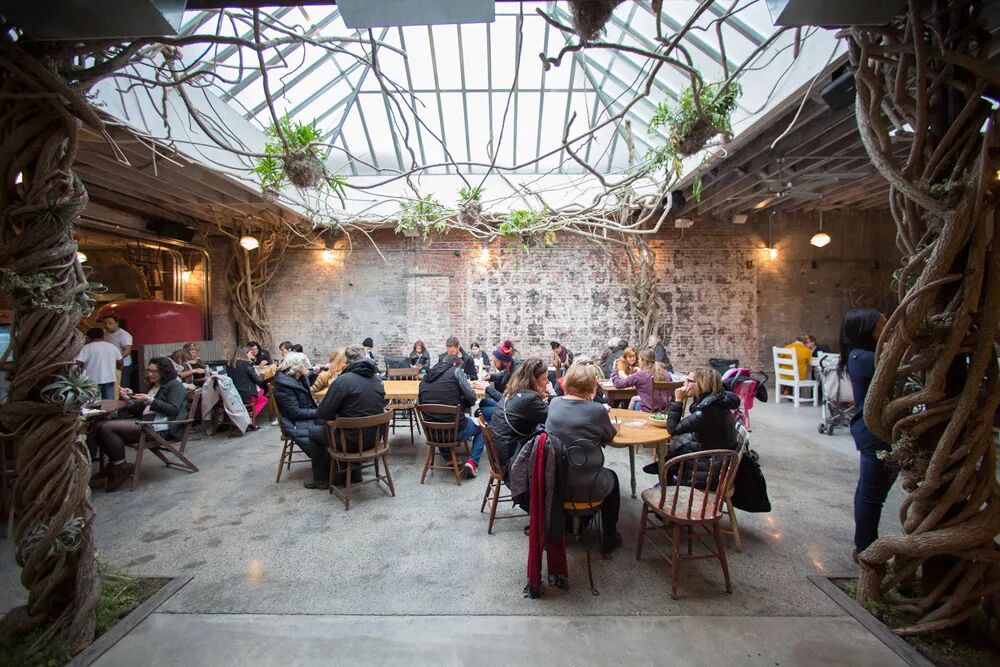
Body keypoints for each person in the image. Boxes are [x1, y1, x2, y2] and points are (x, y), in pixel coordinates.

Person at [545, 363, 622, 556]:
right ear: (591, 387)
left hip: (556, 483)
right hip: (588, 486)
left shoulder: (554, 404)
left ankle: (572, 523)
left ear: (567, 383)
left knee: (578, 473)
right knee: (612, 478)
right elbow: (610, 437)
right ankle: (610, 536)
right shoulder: (597, 410)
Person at [839, 308, 893, 558]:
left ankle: (865, 544)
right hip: (874, 432)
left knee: (869, 491)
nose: (889, 325)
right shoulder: (863, 358)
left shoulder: (862, 355)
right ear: (869, 330)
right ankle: (866, 548)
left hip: (873, 429)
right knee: (872, 494)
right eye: (883, 323)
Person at [93, 357, 188, 491]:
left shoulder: (174, 385)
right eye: (149, 370)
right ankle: (115, 464)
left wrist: (149, 400)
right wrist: (129, 399)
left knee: (107, 428)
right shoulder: (155, 386)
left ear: (164, 371)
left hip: (159, 428)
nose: (150, 374)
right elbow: (141, 411)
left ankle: (120, 467)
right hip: (146, 423)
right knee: (97, 426)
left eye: (154, 371)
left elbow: (173, 409)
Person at [307, 345, 386, 489]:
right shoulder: (377, 379)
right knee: (351, 425)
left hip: (351, 442)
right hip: (375, 439)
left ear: (346, 360)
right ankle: (354, 474)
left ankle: (321, 479)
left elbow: (323, 414)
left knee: (314, 432)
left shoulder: (343, 381)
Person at [643, 368, 741, 482]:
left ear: (702, 384)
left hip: (708, 471)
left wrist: (678, 400)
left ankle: (666, 472)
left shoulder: (707, 410)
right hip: (717, 459)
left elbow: (672, 429)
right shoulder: (718, 400)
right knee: (679, 442)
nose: (685, 384)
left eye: (689, 381)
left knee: (674, 449)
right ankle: (665, 465)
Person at [418, 353, 485, 479]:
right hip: (455, 431)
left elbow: (421, 402)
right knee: (482, 427)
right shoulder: (455, 371)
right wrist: (465, 402)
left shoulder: (424, 378)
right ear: (454, 364)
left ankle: (449, 457)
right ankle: (472, 463)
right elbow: (471, 397)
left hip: (433, 433)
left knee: (437, 421)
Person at [489, 358, 549, 473]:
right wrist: (553, 395)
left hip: (498, 452)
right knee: (553, 453)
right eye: (545, 379)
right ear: (534, 380)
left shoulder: (514, 389)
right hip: (511, 459)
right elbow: (555, 419)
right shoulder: (530, 399)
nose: (547, 382)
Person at [272, 351, 320, 475]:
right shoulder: (284, 385)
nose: (307, 366)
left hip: (301, 416)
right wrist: (319, 412)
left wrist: (313, 375)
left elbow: (303, 389)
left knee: (331, 420)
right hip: (294, 422)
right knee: (328, 427)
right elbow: (295, 412)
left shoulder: (296, 378)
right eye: (305, 364)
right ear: (297, 367)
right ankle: (327, 465)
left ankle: (333, 461)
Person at [612, 348, 670, 413]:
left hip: (647, 413)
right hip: (665, 413)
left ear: (643, 361)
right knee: (636, 402)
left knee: (636, 404)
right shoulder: (666, 373)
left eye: (639, 359)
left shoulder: (640, 375)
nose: (638, 361)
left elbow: (617, 384)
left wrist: (615, 369)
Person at [75, 327, 121, 399]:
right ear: (103, 336)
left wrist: (79, 372)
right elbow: (120, 362)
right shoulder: (112, 347)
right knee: (109, 402)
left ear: (89, 337)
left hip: (91, 380)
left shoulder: (87, 347)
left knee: (92, 402)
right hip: (109, 379)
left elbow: (78, 362)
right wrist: (115, 369)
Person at [230, 344, 268, 430]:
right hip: (246, 394)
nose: (252, 354)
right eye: (251, 352)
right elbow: (259, 381)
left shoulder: (231, 363)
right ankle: (250, 419)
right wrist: (262, 373)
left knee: (261, 394)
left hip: (234, 394)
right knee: (263, 395)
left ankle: (248, 416)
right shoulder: (247, 364)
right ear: (246, 354)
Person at [479, 341, 519, 422]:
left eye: (495, 361)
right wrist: (490, 376)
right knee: (483, 402)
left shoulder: (516, 374)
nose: (494, 364)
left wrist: (487, 388)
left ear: (503, 361)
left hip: (511, 411)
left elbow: (507, 401)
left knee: (481, 411)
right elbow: (502, 375)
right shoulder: (510, 364)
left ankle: (493, 427)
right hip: (506, 403)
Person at [101, 314, 134, 389]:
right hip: (109, 364)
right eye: (105, 323)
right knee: (111, 386)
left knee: (122, 386)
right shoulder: (105, 333)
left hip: (123, 365)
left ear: (116, 323)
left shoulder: (124, 335)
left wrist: (118, 359)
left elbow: (127, 350)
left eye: (110, 323)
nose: (107, 325)